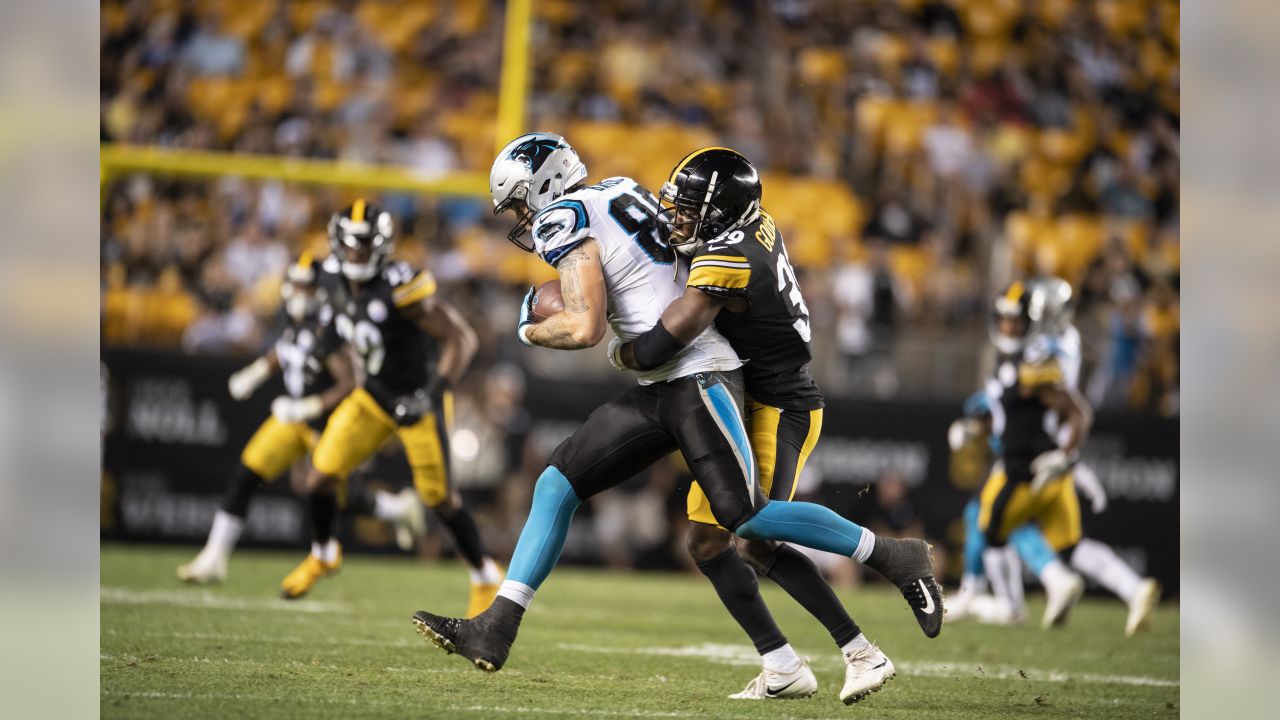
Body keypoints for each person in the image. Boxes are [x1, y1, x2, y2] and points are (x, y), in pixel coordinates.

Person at [411, 134, 943, 683]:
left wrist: (532, 327)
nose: (522, 217)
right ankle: (498, 625)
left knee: (746, 519)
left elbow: (587, 326)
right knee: (558, 483)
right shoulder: (618, 187)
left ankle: (891, 555)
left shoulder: (562, 220)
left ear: (542, 187)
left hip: (698, 375)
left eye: (521, 202)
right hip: (666, 384)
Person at [611, 148, 904, 703]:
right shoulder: (751, 223)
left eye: (690, 207)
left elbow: (656, 349)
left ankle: (864, 646)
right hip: (747, 401)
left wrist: (617, 348)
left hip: (780, 406)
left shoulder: (731, 256)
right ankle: (782, 666)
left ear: (721, 213)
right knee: (704, 539)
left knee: (754, 534)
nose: (677, 216)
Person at [280, 200, 503, 619]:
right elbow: (333, 321)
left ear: (381, 248)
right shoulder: (328, 278)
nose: (355, 255)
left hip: (417, 399)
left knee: (440, 501)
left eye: (364, 247)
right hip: (373, 395)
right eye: (349, 246)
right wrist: (321, 352)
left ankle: (484, 573)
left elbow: (462, 339)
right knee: (319, 477)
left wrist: (433, 392)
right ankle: (324, 552)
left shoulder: (401, 286)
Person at [177, 253, 421, 583]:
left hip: (324, 422)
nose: (295, 291)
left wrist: (311, 406)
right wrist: (258, 370)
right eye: (293, 283)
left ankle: (395, 509)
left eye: (304, 286)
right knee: (247, 473)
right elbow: (286, 349)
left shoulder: (329, 327)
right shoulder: (296, 320)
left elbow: (350, 382)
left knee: (327, 495)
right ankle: (214, 557)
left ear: (319, 289)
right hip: (293, 416)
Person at [951, 277, 1161, 635]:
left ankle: (1021, 593)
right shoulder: (1045, 350)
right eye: (1004, 319)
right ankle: (1132, 587)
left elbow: (1062, 406)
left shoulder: (1038, 356)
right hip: (1055, 455)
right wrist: (1070, 457)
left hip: (1028, 459)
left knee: (991, 523)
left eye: (1017, 319)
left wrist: (1067, 454)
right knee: (1069, 544)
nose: (1009, 326)